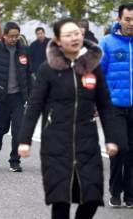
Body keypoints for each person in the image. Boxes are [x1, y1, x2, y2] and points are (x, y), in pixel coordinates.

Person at [18, 18, 119, 219]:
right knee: (60, 200)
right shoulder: (48, 69)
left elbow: (105, 106)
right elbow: (35, 106)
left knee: (91, 198)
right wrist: (24, 140)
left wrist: (111, 138)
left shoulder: (93, 68)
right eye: (68, 35)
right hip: (55, 143)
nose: (74, 38)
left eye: (77, 33)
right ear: (57, 40)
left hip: (87, 142)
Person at [0, 22, 32, 172]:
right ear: (4, 35)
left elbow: (29, 74)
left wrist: (31, 95)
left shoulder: (23, 50)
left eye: (16, 36)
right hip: (1, 96)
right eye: (11, 36)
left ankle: (14, 160)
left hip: (18, 97)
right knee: (0, 129)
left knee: (18, 130)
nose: (14, 39)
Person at [100, 3, 133, 208]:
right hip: (114, 107)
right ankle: (115, 190)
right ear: (119, 19)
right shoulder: (107, 43)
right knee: (121, 149)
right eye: (128, 19)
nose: (131, 23)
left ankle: (130, 195)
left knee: (132, 152)